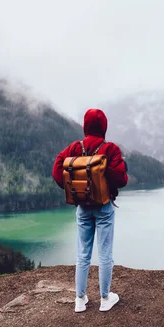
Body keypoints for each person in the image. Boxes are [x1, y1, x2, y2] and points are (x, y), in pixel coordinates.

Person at [52, 108, 128, 312]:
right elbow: (121, 179)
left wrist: (71, 187)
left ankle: (79, 299)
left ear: (85, 126)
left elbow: (57, 170)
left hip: (82, 207)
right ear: (104, 127)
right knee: (105, 254)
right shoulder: (110, 149)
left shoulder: (74, 148)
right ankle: (105, 298)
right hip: (103, 207)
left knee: (82, 254)